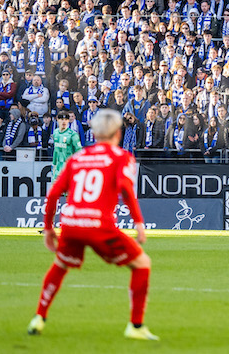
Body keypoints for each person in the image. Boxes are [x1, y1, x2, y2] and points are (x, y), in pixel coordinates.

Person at [27, 109, 158, 341]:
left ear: (94, 133)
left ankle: (39, 317)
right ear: (118, 133)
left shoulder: (76, 158)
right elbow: (127, 190)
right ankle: (136, 326)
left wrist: (48, 228)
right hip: (99, 225)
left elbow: (54, 193)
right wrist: (139, 223)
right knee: (142, 263)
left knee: (60, 265)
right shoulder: (121, 157)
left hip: (71, 223)